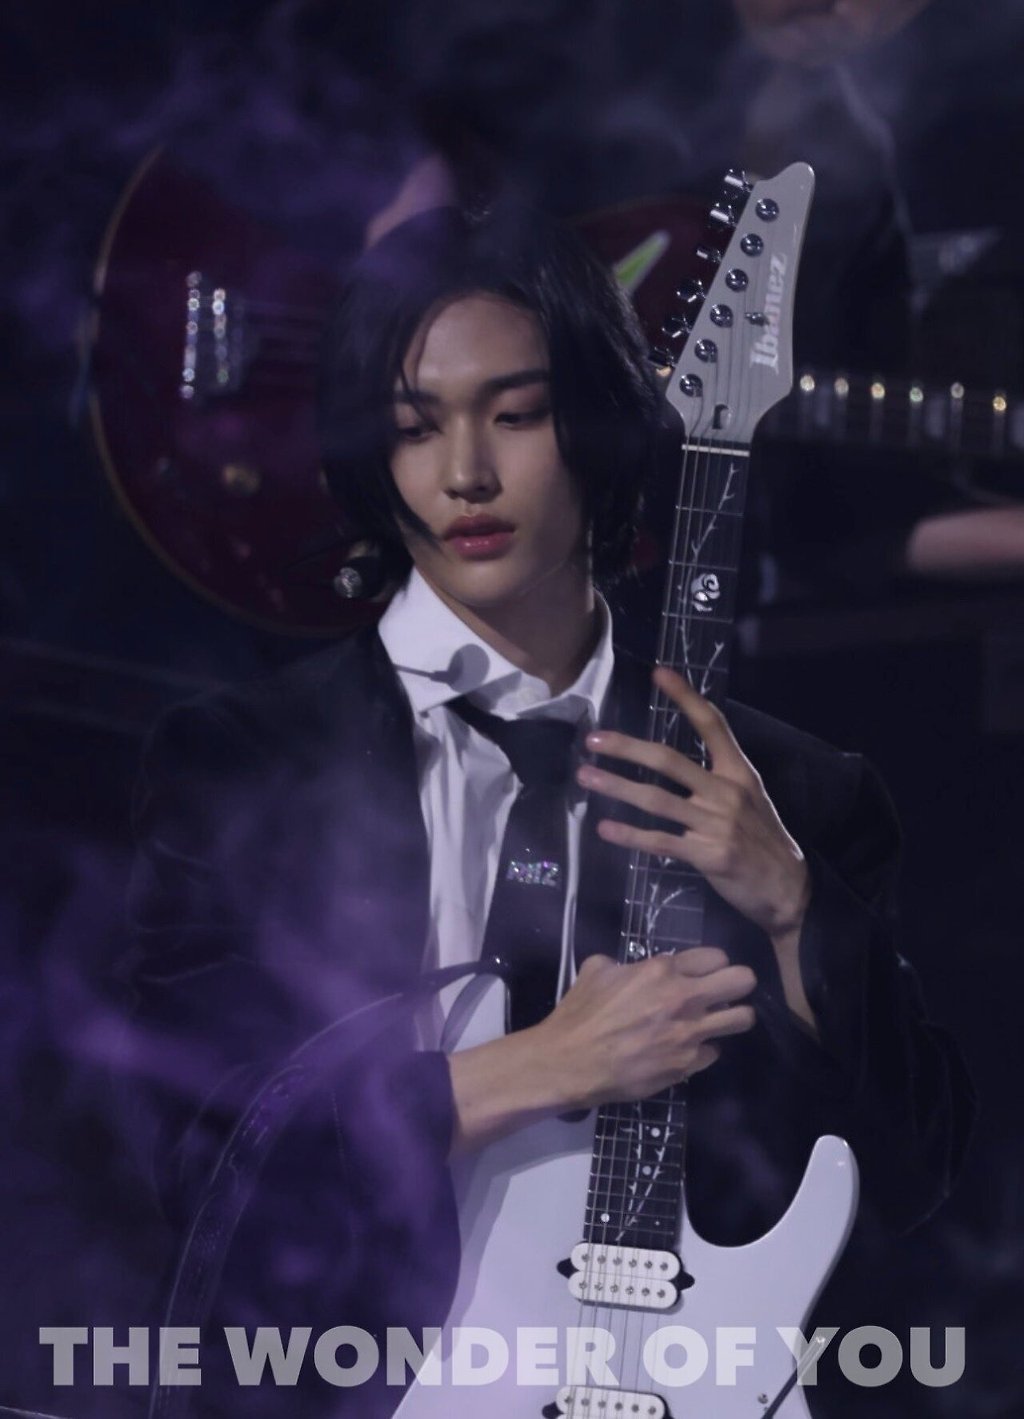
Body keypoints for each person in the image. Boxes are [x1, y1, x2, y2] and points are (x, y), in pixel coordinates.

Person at [124, 204, 973, 1416]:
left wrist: (794, 908)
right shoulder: (242, 767)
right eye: (414, 427)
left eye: (515, 415)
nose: (464, 473)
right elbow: (197, 1161)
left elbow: (912, 1180)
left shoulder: (795, 794)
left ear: (598, 423)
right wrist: (529, 1069)